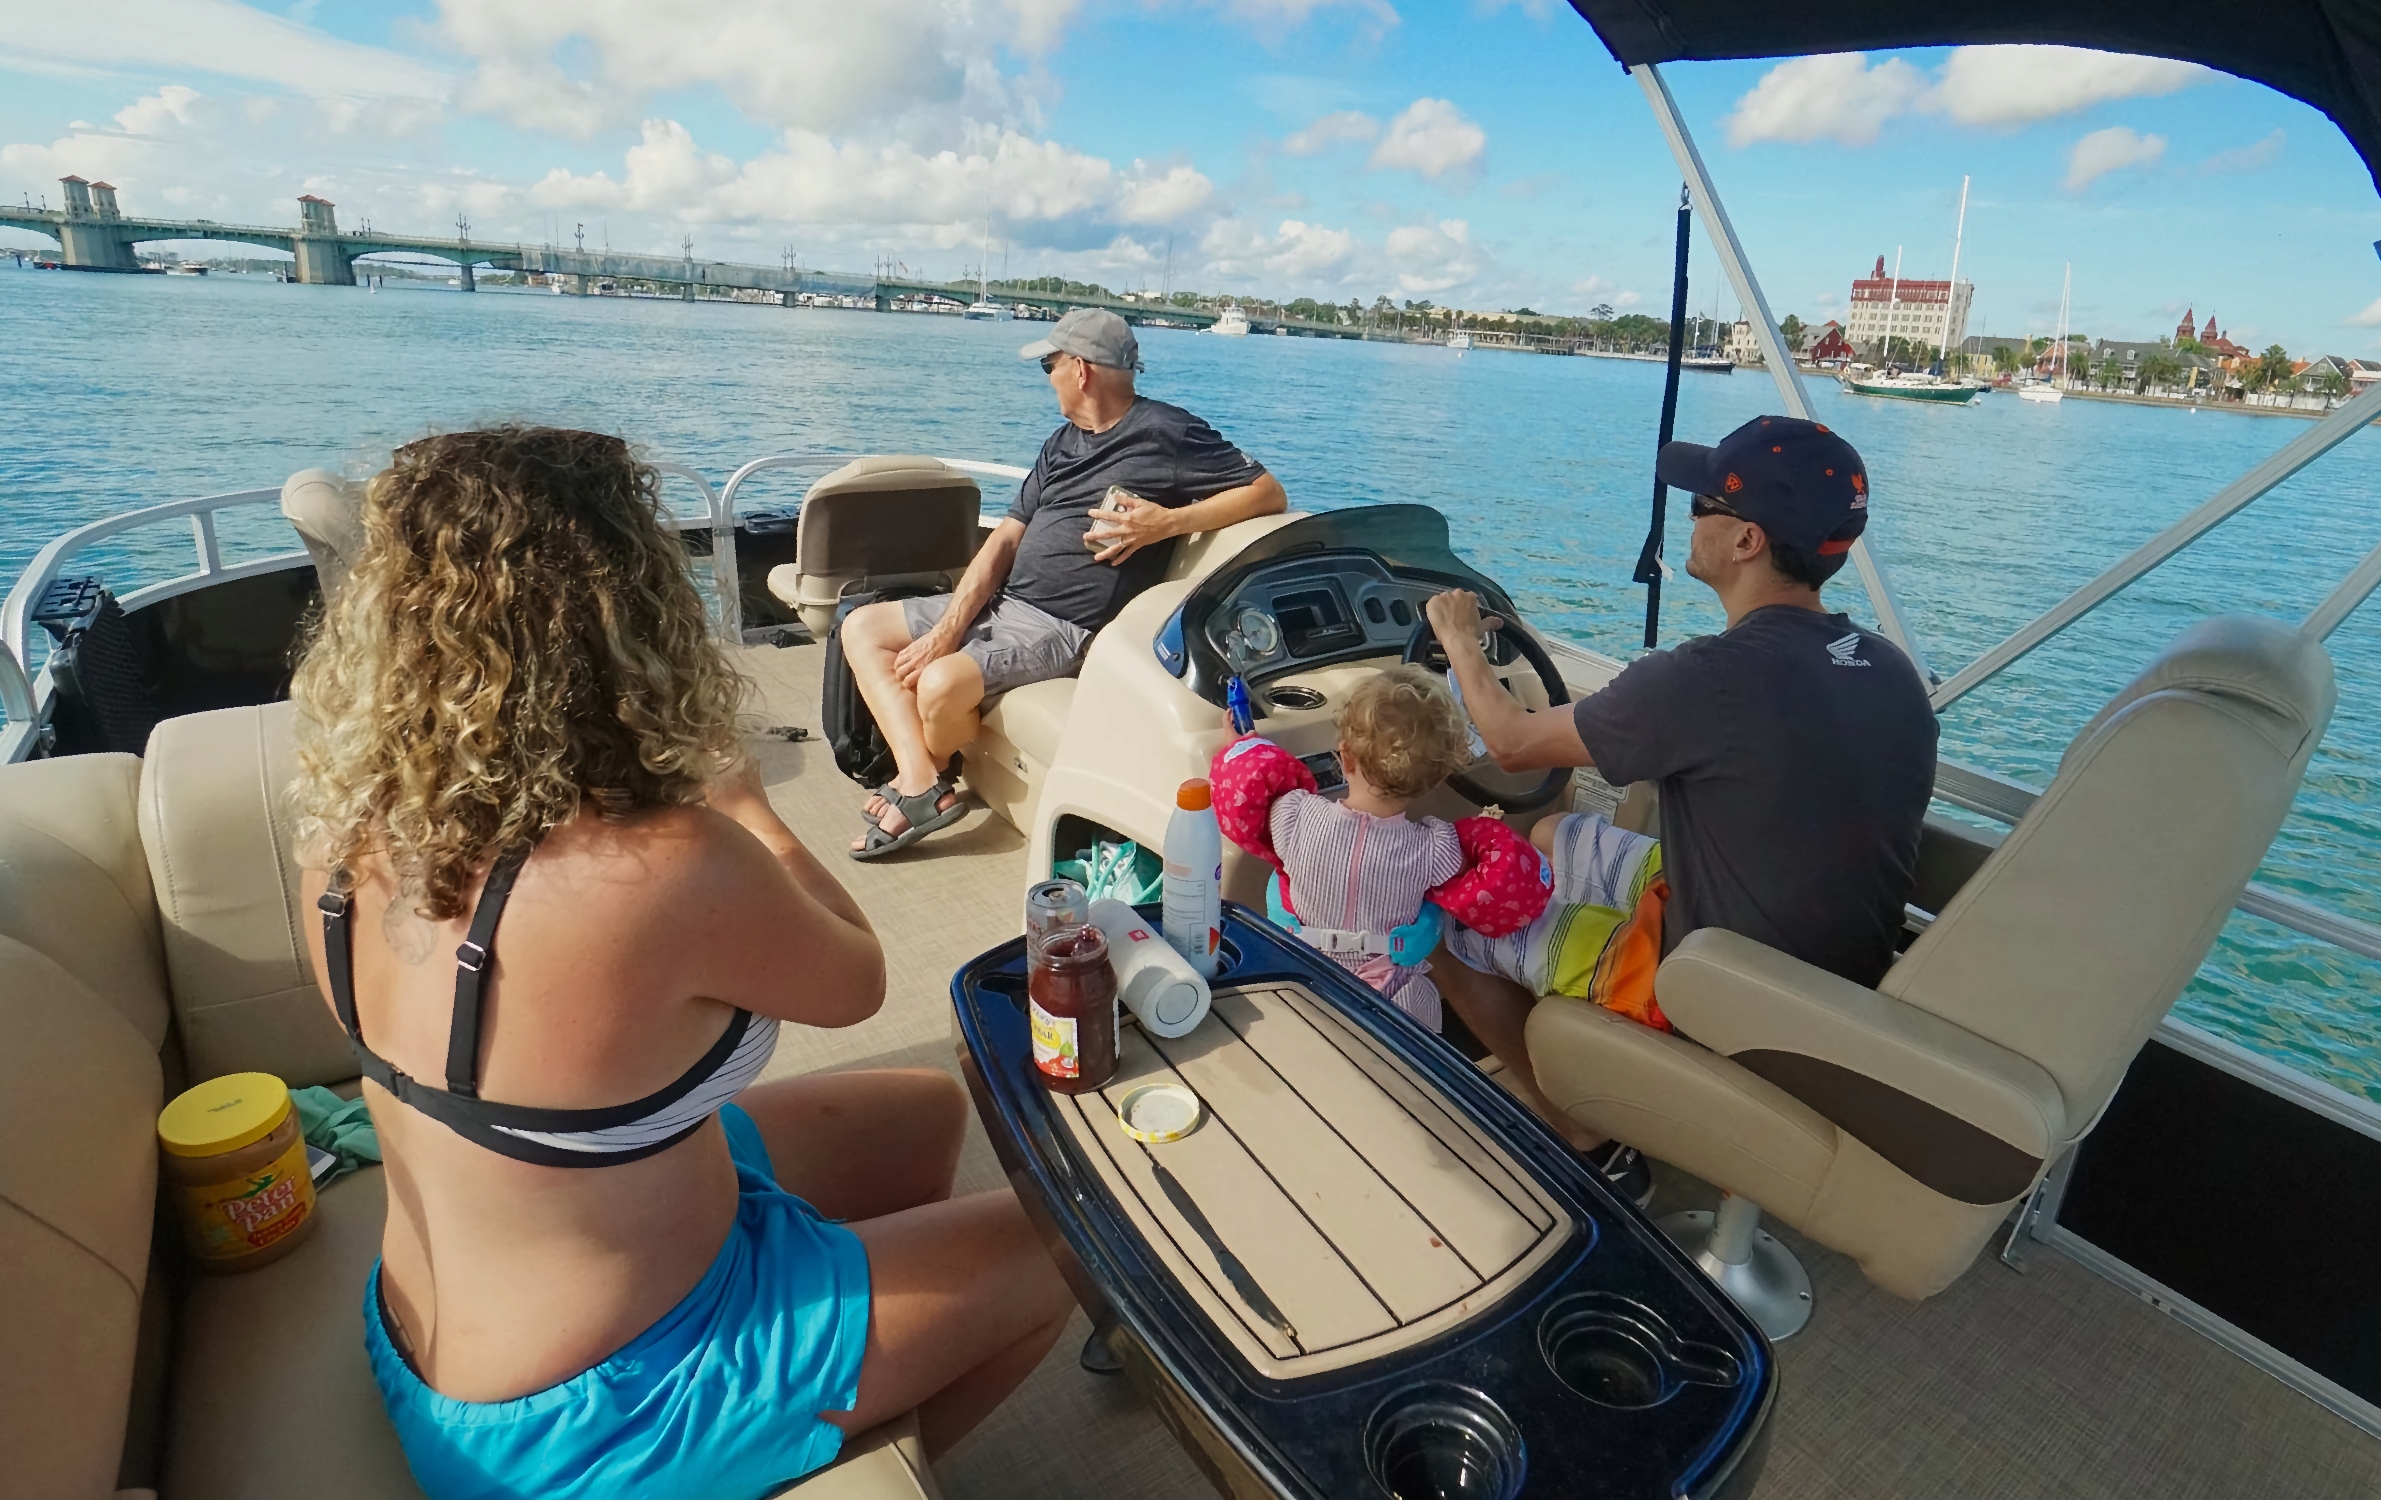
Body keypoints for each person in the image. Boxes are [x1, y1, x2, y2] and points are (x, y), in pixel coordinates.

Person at [291, 427, 1073, 1500]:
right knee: (1065, 1248)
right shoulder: (665, 867)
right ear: (627, 614)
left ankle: (849, 1347)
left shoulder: (342, 841)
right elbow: (857, 978)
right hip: (602, 1410)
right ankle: (819, 1447)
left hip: (426, 1329)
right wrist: (747, 806)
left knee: (922, 1113)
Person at [1422, 415, 1938, 1206]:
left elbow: (1513, 742)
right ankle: (1591, 1048)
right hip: (1833, 974)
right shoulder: (1885, 665)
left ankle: (1586, 1135)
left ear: (1747, 541)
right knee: (1557, 832)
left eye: (1702, 505)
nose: (1687, 516)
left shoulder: (1710, 678)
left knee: (1445, 926)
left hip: (1726, 991)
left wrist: (1457, 638)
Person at [843, 307, 1288, 858]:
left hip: (1066, 626)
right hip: (1006, 603)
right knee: (861, 627)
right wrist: (948, 628)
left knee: (936, 684)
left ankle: (922, 781)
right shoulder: (1060, 443)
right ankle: (921, 780)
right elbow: (1004, 541)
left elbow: (1268, 493)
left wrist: (1166, 523)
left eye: (1049, 365)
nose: (1047, 376)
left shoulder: (1167, 433)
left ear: (1081, 370)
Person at [1208, 666, 1551, 1029]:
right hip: (1393, 999)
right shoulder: (1438, 849)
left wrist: (1244, 746)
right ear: (1436, 778)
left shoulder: (1290, 815)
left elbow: (1247, 778)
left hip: (1304, 978)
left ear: (1345, 757)